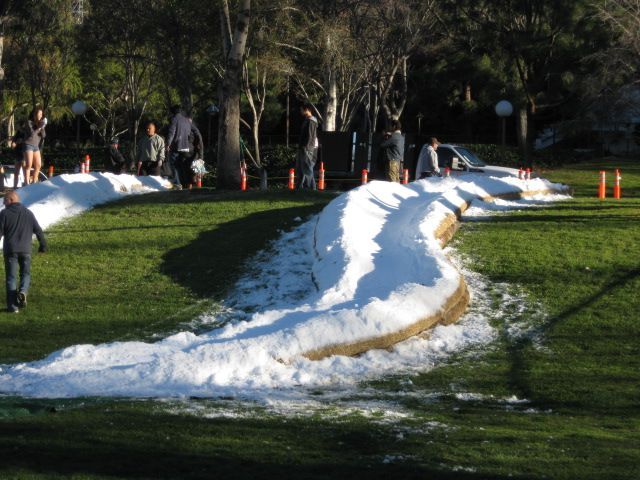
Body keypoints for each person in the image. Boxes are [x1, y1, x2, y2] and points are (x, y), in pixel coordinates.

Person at [0, 190, 47, 313]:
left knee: (11, 278)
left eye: (5, 200)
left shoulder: (4, 214)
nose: (4, 203)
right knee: (25, 274)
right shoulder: (28, 213)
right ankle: (23, 291)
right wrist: (43, 246)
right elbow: (38, 230)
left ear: (11, 200)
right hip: (26, 250)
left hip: (10, 250)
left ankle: (13, 307)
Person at [165, 105, 197, 188]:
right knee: (183, 165)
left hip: (176, 146)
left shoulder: (174, 119)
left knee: (174, 164)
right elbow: (190, 133)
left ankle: (177, 182)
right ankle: (185, 183)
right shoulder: (186, 120)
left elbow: (171, 133)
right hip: (186, 146)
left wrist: (168, 144)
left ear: (173, 112)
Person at [296, 103, 318, 189]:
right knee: (301, 168)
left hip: (307, 147)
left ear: (307, 110)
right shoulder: (307, 120)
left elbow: (310, 136)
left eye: (302, 110)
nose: (301, 111)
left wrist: (307, 147)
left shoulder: (311, 121)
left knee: (307, 167)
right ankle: (301, 187)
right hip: (304, 147)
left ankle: (311, 188)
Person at [22, 108, 47, 185]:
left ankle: (34, 181)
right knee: (29, 164)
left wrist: (42, 128)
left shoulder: (40, 124)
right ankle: (26, 182)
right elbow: (32, 134)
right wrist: (39, 127)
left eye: (41, 114)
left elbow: (44, 136)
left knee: (38, 165)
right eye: (38, 114)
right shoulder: (29, 122)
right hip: (28, 144)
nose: (40, 116)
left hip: (36, 146)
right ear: (34, 114)